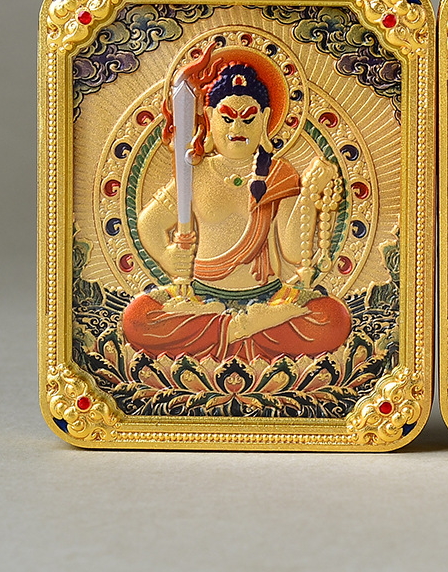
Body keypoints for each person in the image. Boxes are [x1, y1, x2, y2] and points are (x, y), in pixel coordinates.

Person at [121, 44, 351, 362]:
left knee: (333, 318)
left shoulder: (278, 173)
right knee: (136, 319)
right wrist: (167, 256)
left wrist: (310, 194)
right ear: (210, 117)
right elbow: (150, 222)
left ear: (265, 119)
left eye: (248, 118)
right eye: (227, 118)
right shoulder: (196, 172)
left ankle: (225, 333)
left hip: (268, 298)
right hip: (197, 297)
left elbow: (294, 251)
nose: (237, 129)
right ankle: (240, 331)